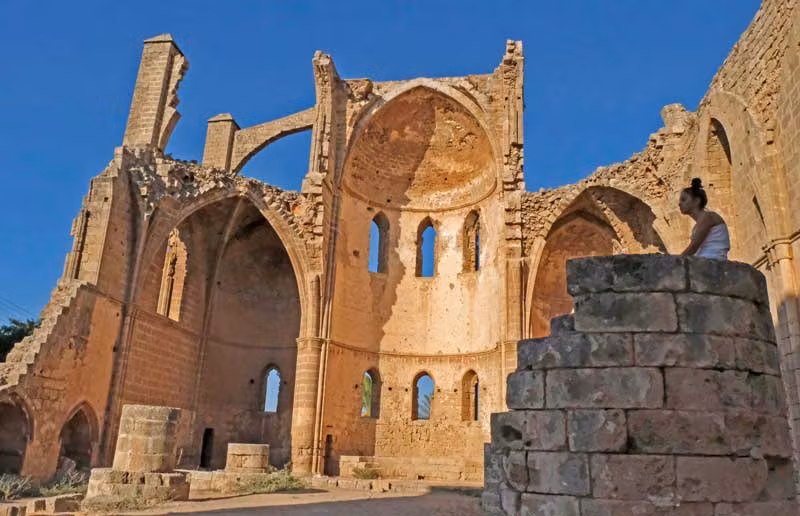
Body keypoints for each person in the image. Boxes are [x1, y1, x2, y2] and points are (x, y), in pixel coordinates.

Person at [679, 178, 730, 259]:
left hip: (713, 261)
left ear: (696, 201)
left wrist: (676, 260)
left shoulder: (708, 217)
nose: (679, 203)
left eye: (684, 200)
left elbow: (693, 247)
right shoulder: (698, 224)